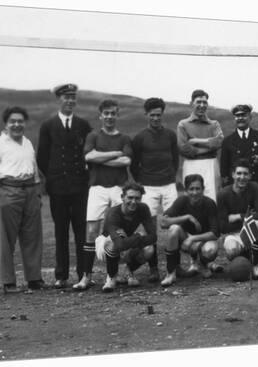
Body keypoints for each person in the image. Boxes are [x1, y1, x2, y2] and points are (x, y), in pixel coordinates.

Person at [0, 106, 44, 293]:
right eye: (12, 121)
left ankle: (34, 279)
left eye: (20, 121)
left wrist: (37, 193)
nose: (17, 124)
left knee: (33, 237)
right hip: (8, 191)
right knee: (7, 239)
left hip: (30, 192)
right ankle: (8, 282)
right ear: (6, 124)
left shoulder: (27, 143)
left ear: (25, 123)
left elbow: (34, 169)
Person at [74, 99, 134, 290]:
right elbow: (88, 157)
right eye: (106, 113)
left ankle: (117, 275)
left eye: (113, 113)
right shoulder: (93, 136)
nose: (109, 116)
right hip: (97, 187)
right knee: (91, 231)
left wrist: (100, 158)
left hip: (119, 188)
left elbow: (125, 161)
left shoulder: (124, 138)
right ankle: (86, 277)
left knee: (121, 230)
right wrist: (114, 153)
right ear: (100, 115)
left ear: (118, 115)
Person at [37, 83, 93, 289]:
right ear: (59, 99)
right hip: (58, 188)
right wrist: (53, 177)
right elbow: (42, 156)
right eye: (66, 97)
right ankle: (61, 275)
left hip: (80, 187)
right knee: (61, 231)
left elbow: (89, 152)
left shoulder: (83, 125)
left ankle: (82, 274)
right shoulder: (48, 125)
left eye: (73, 97)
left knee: (81, 232)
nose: (70, 101)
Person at [220, 104, 258, 272]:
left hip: (257, 186)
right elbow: (224, 170)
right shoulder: (228, 141)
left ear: (250, 117)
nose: (240, 118)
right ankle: (242, 261)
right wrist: (228, 189)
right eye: (237, 116)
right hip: (236, 189)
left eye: (244, 115)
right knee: (237, 224)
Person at [131, 97, 179, 282]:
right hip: (148, 187)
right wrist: (143, 182)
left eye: (159, 115)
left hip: (168, 185)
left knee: (173, 225)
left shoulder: (170, 135)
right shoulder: (140, 137)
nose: (156, 118)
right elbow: (134, 165)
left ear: (162, 114)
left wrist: (169, 177)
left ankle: (174, 266)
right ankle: (153, 269)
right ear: (146, 115)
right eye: (152, 115)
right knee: (150, 228)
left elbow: (175, 160)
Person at [94, 182, 157, 292]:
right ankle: (111, 276)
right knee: (115, 240)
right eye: (130, 197)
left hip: (127, 241)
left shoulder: (143, 208)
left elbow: (153, 237)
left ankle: (128, 270)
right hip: (106, 244)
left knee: (149, 249)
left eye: (137, 198)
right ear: (122, 197)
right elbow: (119, 244)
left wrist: (136, 240)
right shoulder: (113, 213)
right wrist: (138, 237)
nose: (133, 202)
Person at [160, 174, 221, 287]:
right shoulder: (182, 201)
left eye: (198, 188)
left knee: (211, 250)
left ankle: (203, 263)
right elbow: (163, 223)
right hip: (185, 239)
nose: (195, 192)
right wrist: (187, 217)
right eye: (191, 189)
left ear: (203, 189)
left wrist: (193, 238)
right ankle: (170, 273)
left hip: (203, 241)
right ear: (186, 190)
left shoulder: (209, 203)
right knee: (174, 229)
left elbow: (215, 233)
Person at [217, 159, 258, 279]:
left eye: (245, 174)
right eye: (239, 173)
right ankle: (239, 266)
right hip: (233, 234)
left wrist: (238, 216)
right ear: (233, 174)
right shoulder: (223, 194)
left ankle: (256, 264)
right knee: (231, 249)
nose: (242, 177)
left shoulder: (254, 187)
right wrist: (248, 216)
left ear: (250, 175)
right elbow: (223, 226)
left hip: (249, 230)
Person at [177, 89, 223, 202]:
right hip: (190, 164)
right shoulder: (183, 124)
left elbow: (219, 142)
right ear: (191, 103)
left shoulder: (214, 124)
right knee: (191, 197)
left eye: (205, 102)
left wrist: (195, 141)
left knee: (212, 198)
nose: (202, 105)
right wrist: (209, 145)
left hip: (211, 164)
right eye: (198, 102)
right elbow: (184, 148)